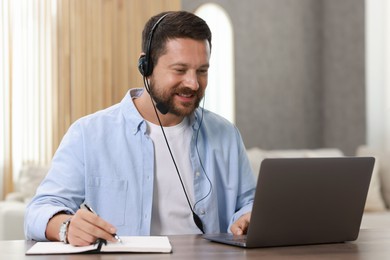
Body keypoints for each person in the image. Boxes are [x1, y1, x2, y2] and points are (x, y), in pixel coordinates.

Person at [24, 11, 256, 246]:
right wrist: (67, 227)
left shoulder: (226, 135)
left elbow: (249, 203)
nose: (193, 83)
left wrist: (248, 217)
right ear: (146, 66)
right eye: (179, 70)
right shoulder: (89, 134)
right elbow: (38, 211)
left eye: (202, 71)